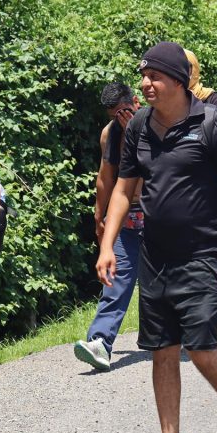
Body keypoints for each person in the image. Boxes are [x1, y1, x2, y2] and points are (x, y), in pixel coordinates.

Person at [96, 41, 217, 433]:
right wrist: (107, 245)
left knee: (199, 345)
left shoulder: (213, 123)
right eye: (144, 76)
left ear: (179, 81)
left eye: (155, 76)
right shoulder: (139, 126)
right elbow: (123, 189)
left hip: (206, 253)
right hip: (156, 256)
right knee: (162, 350)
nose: (146, 84)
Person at [74, 83, 143, 370]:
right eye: (115, 115)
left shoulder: (157, 125)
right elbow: (105, 177)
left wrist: (135, 133)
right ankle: (100, 342)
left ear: (136, 102)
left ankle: (180, 333)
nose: (120, 118)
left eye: (124, 111)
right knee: (116, 279)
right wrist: (99, 216)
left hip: (161, 217)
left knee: (164, 283)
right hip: (126, 217)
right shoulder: (109, 133)